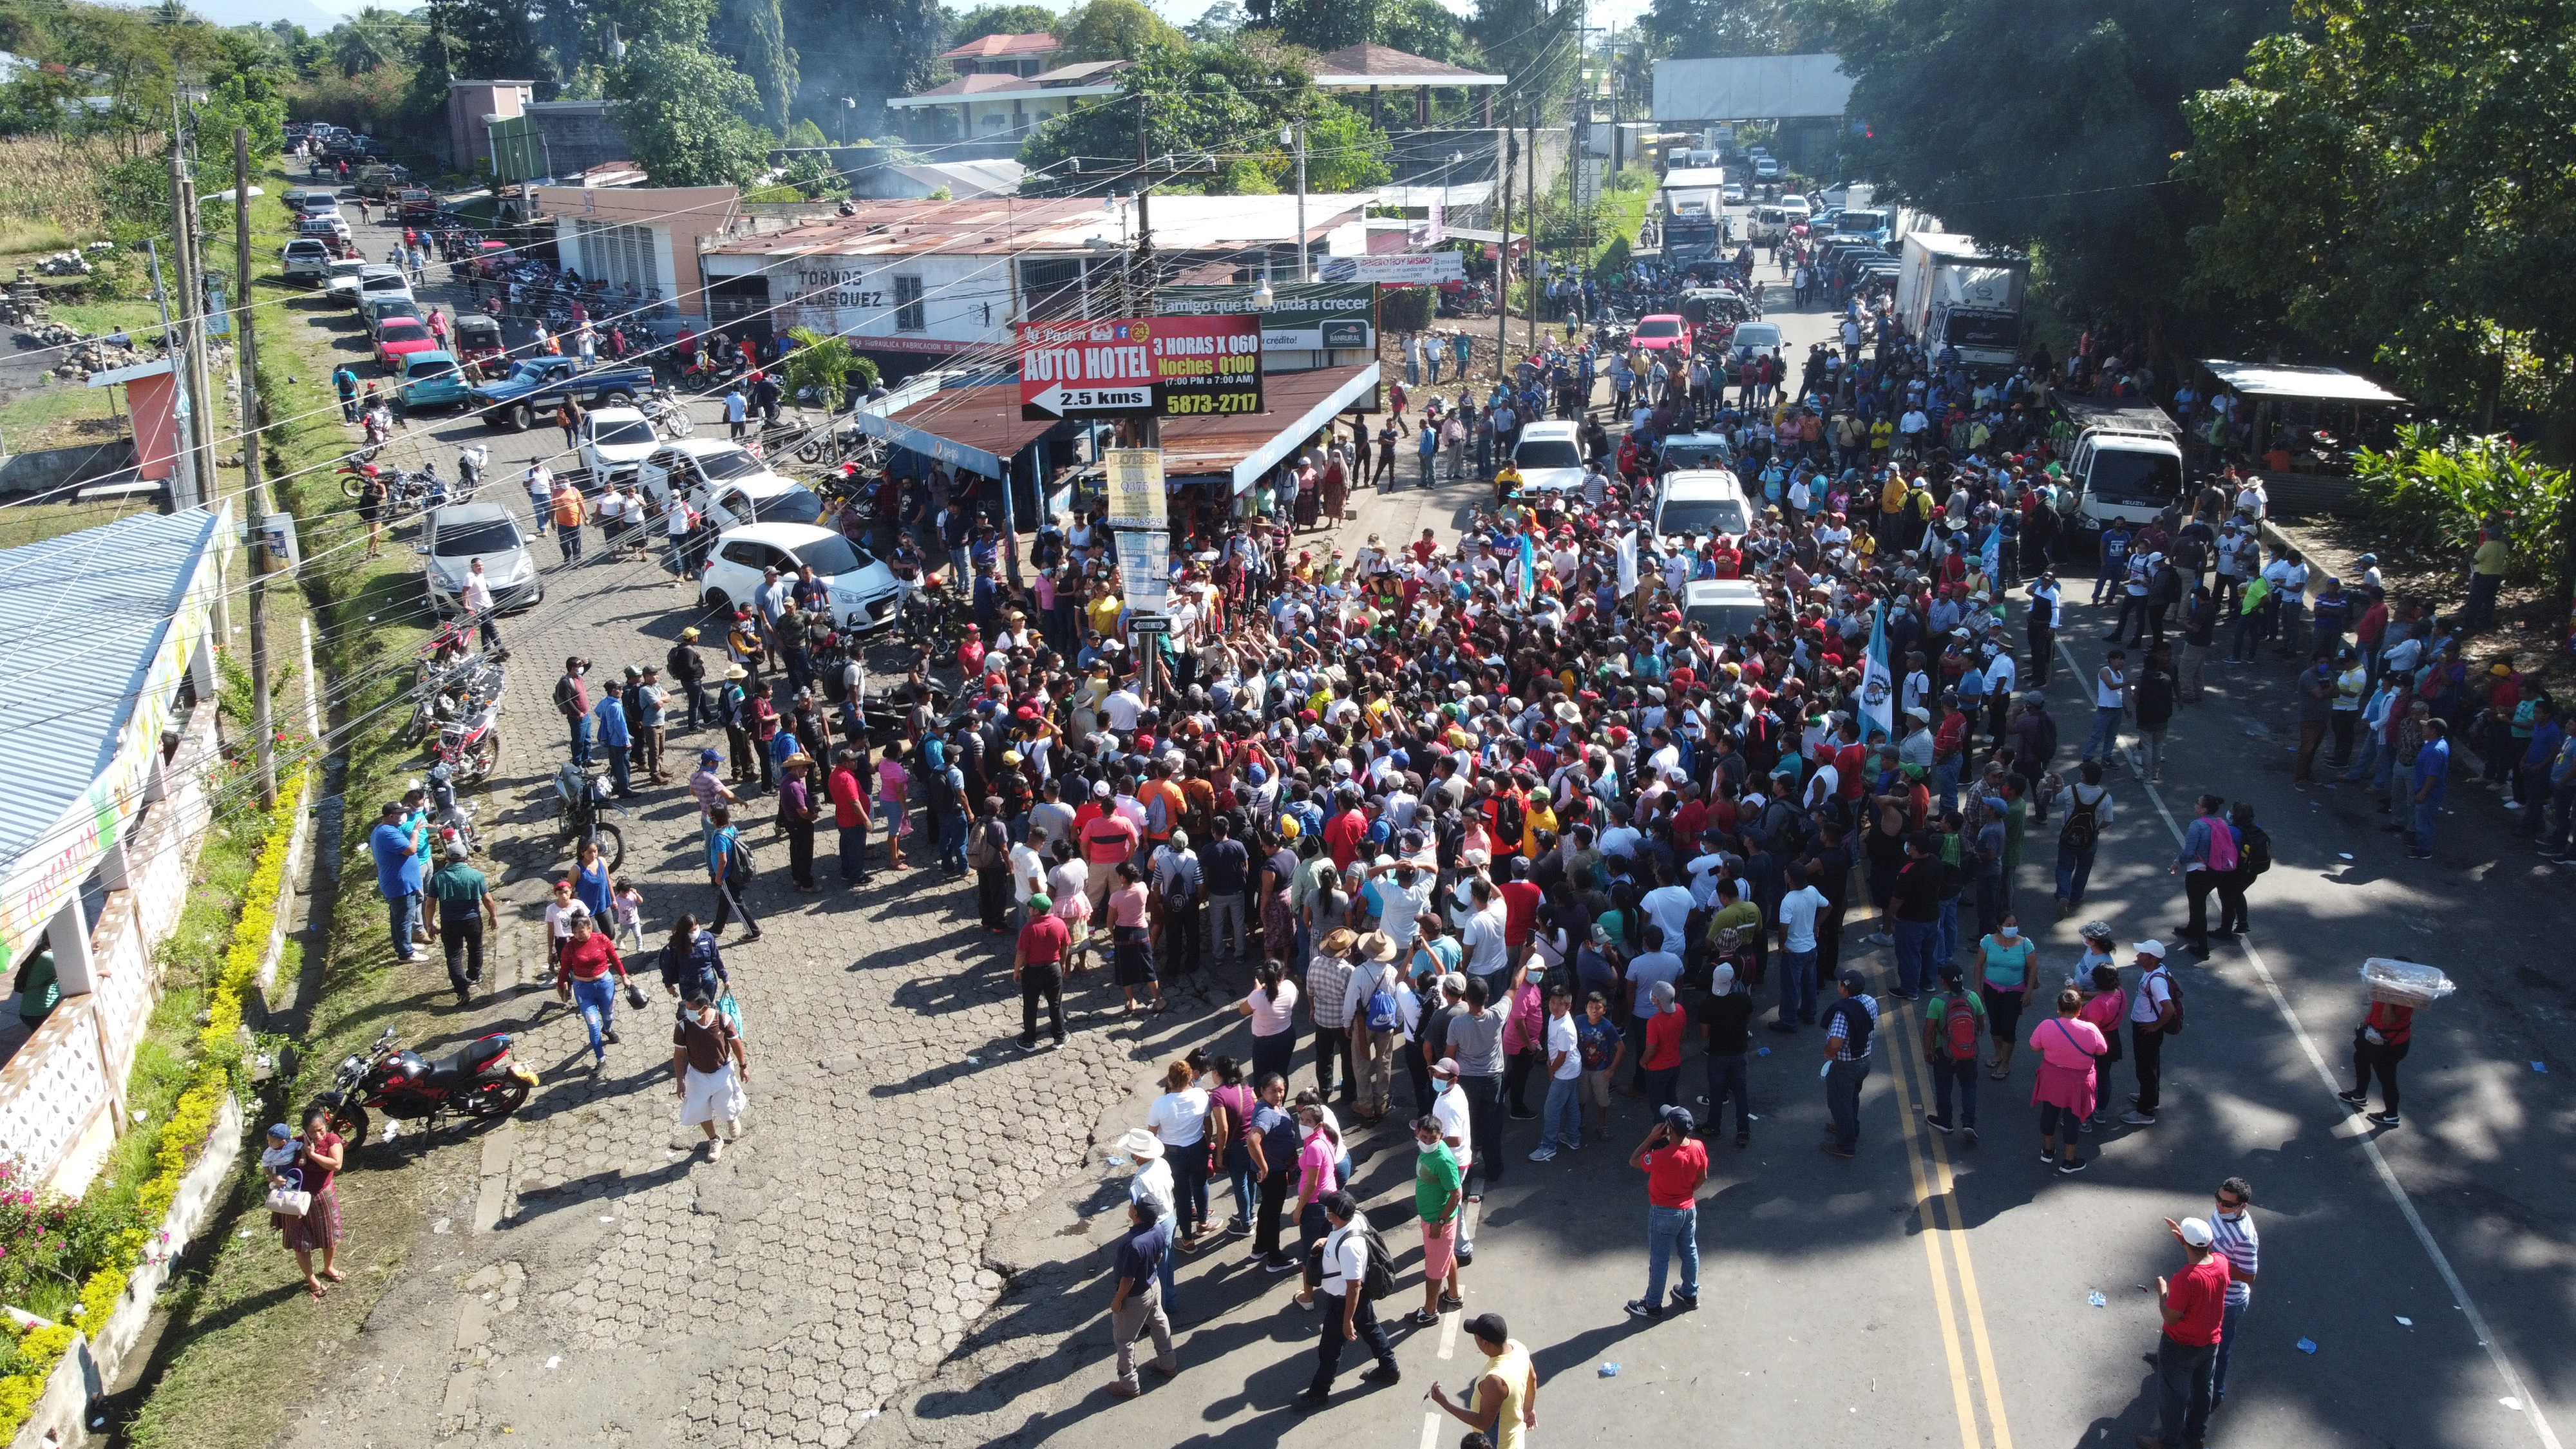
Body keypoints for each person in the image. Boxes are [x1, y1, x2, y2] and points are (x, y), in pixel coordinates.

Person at [1296, 1190, 1400, 1408]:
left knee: (1329, 1350)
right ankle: (1389, 1368)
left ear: (1334, 1215)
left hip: (1344, 1301)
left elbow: (1354, 1286)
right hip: (1353, 1299)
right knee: (1371, 1327)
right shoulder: (1355, 1219)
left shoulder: (1350, 1248)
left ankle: (1319, 1392)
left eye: (1328, 1209)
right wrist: (1328, 1241)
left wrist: (1347, 1320)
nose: (1325, 1210)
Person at [2138, 1215, 2231, 1449]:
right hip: (2210, 1342)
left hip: (2179, 1346)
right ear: (2210, 1243)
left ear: (2186, 1244)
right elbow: (2202, 1254)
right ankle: (2195, 1433)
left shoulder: (2184, 1279)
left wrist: (2162, 1292)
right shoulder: (2221, 1262)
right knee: (2203, 1390)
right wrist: (2187, 1241)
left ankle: (2167, 1442)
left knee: (2174, 1396)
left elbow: (2171, 1316)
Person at [1624, 1104, 1707, 1319]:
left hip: (1663, 1213)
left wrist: (1652, 1137)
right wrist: (1688, 1192)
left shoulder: (1661, 1155)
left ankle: (1652, 1306)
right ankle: (1690, 1294)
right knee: (1689, 1251)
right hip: (1688, 1209)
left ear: (1669, 1128)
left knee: (1660, 1260)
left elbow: (1634, 1160)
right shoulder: (1698, 1147)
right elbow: (1702, 1176)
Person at [269, 1108, 346, 1300]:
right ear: (304, 1132)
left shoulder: (332, 1141)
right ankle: (311, 1279)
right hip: (295, 1198)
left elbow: (336, 1165)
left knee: (330, 1234)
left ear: (326, 1127)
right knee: (300, 1241)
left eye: (321, 1130)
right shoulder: (294, 1144)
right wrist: (274, 1177)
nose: (318, 1135)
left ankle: (329, 1267)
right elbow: (271, 1162)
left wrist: (312, 1155)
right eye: (313, 1132)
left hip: (322, 1195)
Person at [1429, 1314, 1538, 1449]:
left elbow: (1484, 1423)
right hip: (1515, 1438)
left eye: (1476, 1338)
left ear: (1486, 1343)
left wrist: (1445, 1404)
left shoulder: (1496, 1380)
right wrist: (1529, 1409)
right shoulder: (1517, 1347)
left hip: (1498, 1444)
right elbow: (1532, 1378)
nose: (1475, 1340)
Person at [2031, 986, 2108, 1173]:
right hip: (2077, 1083)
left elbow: (2035, 1047)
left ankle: (2048, 1151)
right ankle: (2069, 1160)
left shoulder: (2047, 1026)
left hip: (2052, 1079)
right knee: (2072, 1119)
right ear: (2080, 1010)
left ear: (2059, 1008)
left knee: (2049, 1113)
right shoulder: (2090, 1029)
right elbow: (2102, 1050)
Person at [1107, 1198, 1178, 1398]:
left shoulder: (1133, 1244)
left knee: (1124, 1339)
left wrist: (1118, 1300)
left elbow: (1127, 1280)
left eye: (1133, 1205)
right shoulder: (1157, 1229)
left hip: (1135, 1296)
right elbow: (1159, 1256)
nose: (1130, 1205)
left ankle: (1128, 1383)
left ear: (1136, 1214)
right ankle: (1168, 1363)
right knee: (1158, 1321)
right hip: (1153, 1285)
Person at [2204, 1177, 2260, 1408]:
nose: (2220, 1206)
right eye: (2218, 1199)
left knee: (2219, 1349)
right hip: (2207, 1290)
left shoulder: (2244, 1237)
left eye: (2227, 1204)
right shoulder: (2222, 1214)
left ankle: (2215, 1392)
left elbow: (2249, 1276)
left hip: (2227, 1302)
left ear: (2242, 1206)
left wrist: (2215, 1261)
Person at [671, 989, 749, 1157]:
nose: (688, 1011)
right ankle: (714, 1140)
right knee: (699, 1109)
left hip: (722, 1072)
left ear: (704, 1009)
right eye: (687, 1007)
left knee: (726, 1104)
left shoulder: (723, 1020)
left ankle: (731, 1119)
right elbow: (679, 1056)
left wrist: (743, 1066)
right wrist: (680, 1081)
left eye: (692, 1008)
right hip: (697, 1075)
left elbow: (736, 1044)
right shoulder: (683, 1028)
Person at [553, 913, 633, 1072]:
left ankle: (608, 1029)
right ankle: (601, 1059)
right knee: (593, 1025)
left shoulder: (602, 939)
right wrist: (560, 984)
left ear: (589, 927)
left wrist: (624, 977)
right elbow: (565, 968)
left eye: (581, 931)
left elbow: (616, 959)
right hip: (584, 990)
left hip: (605, 985)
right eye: (575, 933)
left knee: (609, 1016)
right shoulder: (569, 947)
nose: (578, 936)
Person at [1148, 1059, 1213, 1249]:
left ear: (1170, 1080)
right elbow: (1208, 1123)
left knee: (1182, 1196)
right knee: (1201, 1185)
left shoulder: (1160, 1103)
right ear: (1190, 1078)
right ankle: (1203, 1223)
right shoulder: (1200, 1095)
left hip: (1173, 1155)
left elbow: (1151, 1133)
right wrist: (1208, 1142)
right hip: (1198, 1147)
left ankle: (1187, 1239)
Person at [1408, 1113, 1464, 1327]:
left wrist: (1439, 1224)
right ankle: (1454, 1295)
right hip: (1431, 1219)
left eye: (1433, 1138)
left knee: (1433, 1270)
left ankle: (1429, 1311)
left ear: (1441, 1136)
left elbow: (1456, 1194)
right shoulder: (1427, 1151)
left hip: (1437, 1223)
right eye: (1424, 1137)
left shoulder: (1443, 1160)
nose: (1428, 1142)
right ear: (1417, 1134)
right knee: (1446, 1256)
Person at [424, 841, 498, 1003]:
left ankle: (461, 990)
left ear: (447, 858)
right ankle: (474, 975)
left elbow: (430, 904)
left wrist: (430, 924)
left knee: (454, 955)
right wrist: (493, 916)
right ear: (466, 858)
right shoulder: (476, 876)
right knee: (476, 947)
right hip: (472, 920)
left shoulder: (438, 878)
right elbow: (488, 899)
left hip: (450, 922)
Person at [1920, 963, 1985, 1139]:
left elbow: (1929, 1029)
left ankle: (1945, 1122)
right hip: (1969, 1053)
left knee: (1943, 1086)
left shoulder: (1938, 1002)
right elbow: (1981, 1023)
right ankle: (1969, 1123)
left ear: (1943, 982)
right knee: (1969, 1087)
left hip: (1945, 1053)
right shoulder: (1973, 997)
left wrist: (1928, 1050)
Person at [1821, 969, 1878, 1159]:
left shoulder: (1842, 1015)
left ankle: (1846, 1145)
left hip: (1846, 1067)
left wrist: (1828, 1053)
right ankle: (1851, 1127)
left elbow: (1836, 1042)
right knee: (1852, 1097)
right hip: (1865, 1061)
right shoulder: (1870, 1001)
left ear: (1844, 989)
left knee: (1839, 1103)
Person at [1696, 967, 1750, 1148]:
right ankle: (1743, 1131)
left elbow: (1704, 1034)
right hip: (1739, 1052)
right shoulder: (1743, 999)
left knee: (1716, 1092)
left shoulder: (1709, 1004)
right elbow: (1747, 1018)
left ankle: (1714, 1126)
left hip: (1718, 1054)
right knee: (1741, 1092)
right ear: (1733, 981)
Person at [2125, 940, 2177, 1126]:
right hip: (2146, 1027)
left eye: (2142, 954)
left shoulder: (2156, 981)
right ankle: (2150, 1098)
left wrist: (2155, 1026)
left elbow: (2169, 1009)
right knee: (2151, 1066)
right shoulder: (2157, 970)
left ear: (2153, 959)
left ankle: (2145, 1112)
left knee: (2146, 1070)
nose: (2138, 956)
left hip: (2146, 1030)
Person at [2338, 996, 2412, 1126]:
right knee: (2361, 1059)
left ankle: (2391, 1114)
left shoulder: (2403, 998)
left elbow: (2387, 1021)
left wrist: (2387, 997)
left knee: (2386, 1077)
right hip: (2375, 1037)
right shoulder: (2390, 989)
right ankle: (2359, 1095)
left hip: (2388, 1045)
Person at [368, 800, 426, 963]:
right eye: (400, 814)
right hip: (400, 884)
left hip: (399, 882)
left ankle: (402, 945)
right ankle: (406, 953)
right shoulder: (387, 833)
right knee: (404, 919)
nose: (403, 816)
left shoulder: (387, 829)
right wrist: (415, 832)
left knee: (398, 917)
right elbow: (411, 850)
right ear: (391, 816)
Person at [1531, 985, 1583, 1159]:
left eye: (1560, 1003)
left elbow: (1562, 1056)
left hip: (1564, 1072)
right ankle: (1572, 1138)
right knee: (1571, 1104)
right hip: (1569, 1069)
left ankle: (1548, 1146)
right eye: (1553, 1002)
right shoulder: (1555, 1018)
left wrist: (1552, 1070)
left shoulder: (1565, 1028)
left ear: (1568, 1006)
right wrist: (1549, 1059)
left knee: (1551, 1110)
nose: (1555, 1006)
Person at [1014, 893, 1071, 1049]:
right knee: (1055, 1004)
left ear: (1037, 911)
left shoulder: (1029, 929)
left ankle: (1029, 1040)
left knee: (1031, 1006)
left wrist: (1017, 970)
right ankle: (1060, 1036)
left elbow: (1021, 953)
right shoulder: (1059, 924)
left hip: (1033, 971)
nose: (1029, 909)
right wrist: (1063, 963)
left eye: (1031, 907)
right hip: (1054, 968)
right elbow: (1065, 946)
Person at [705, 806, 762, 941]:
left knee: (736, 902)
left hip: (726, 876)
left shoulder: (719, 837)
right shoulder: (731, 828)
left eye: (710, 815)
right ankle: (717, 928)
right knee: (725, 901)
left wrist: (718, 877)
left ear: (714, 818)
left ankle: (753, 931)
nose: (708, 817)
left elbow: (722, 860)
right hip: (734, 871)